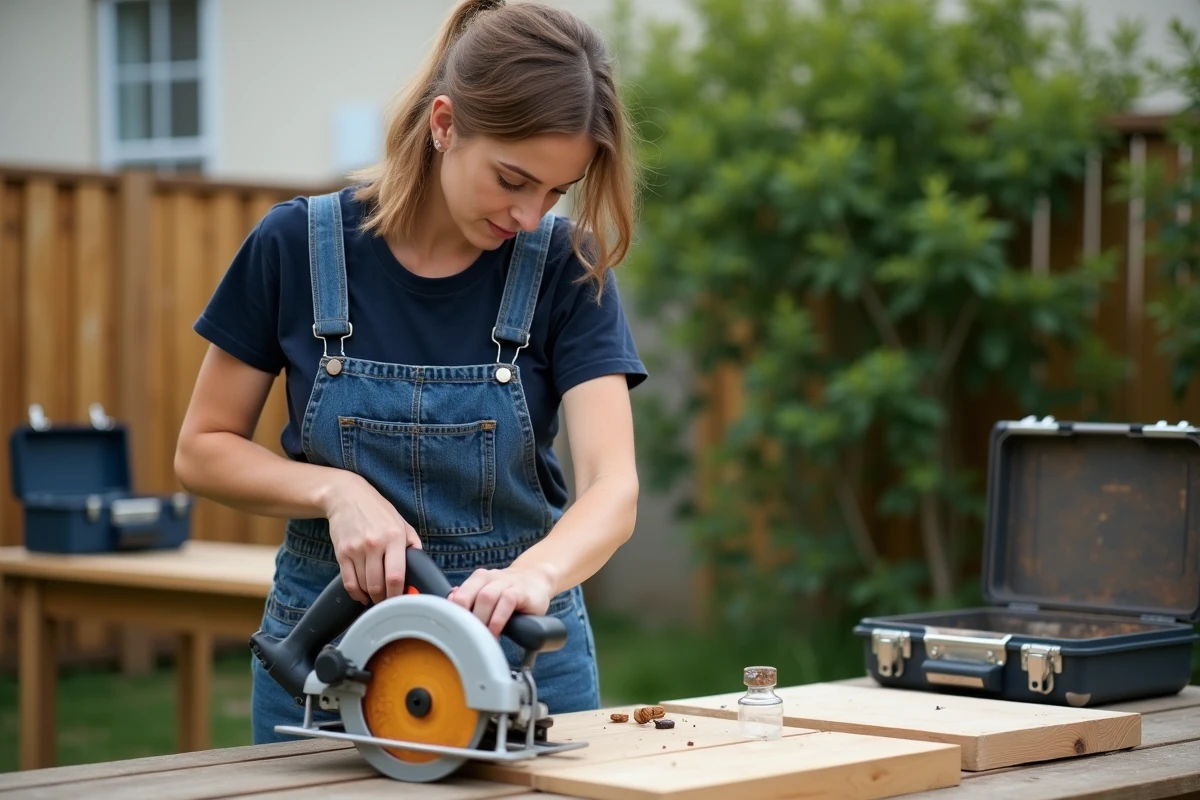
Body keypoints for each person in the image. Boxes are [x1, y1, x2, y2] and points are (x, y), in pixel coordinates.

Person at [174, 0, 646, 744]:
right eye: (512, 179)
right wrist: (336, 491)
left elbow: (613, 488)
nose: (530, 216)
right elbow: (201, 448)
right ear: (444, 124)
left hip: (516, 655)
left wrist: (536, 576)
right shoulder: (294, 245)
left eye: (556, 192)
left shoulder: (566, 269)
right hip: (325, 656)